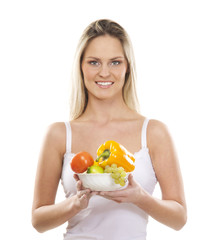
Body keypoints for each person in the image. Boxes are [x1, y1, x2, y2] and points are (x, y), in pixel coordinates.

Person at [32, 19, 187, 240]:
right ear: (81, 66)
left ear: (127, 67)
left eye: (115, 62)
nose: (104, 73)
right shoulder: (58, 135)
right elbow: (38, 220)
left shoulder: (154, 133)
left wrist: (140, 197)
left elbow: (179, 218)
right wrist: (75, 204)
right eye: (94, 62)